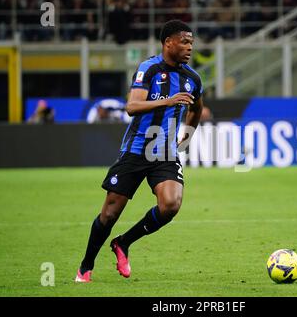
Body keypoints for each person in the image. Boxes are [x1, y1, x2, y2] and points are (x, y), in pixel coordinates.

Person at [75, 20, 204, 282]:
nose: (190, 47)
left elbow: (197, 109)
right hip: (135, 151)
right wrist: (168, 100)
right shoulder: (149, 69)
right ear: (168, 42)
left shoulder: (192, 78)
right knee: (109, 214)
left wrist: (187, 138)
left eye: (191, 42)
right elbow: (131, 107)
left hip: (165, 154)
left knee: (170, 205)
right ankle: (86, 266)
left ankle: (123, 243)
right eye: (185, 41)